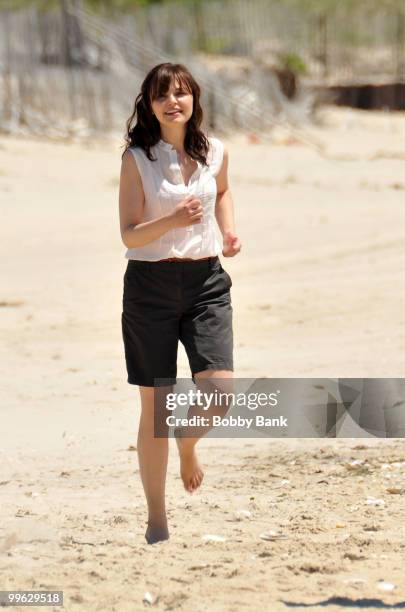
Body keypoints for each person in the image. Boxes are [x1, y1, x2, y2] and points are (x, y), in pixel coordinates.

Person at [119, 62, 242, 544]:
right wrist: (170, 219)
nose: (174, 101)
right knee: (157, 409)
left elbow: (224, 189)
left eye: (182, 93)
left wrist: (228, 230)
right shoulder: (137, 159)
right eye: (162, 95)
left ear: (194, 99)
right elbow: (128, 233)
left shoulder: (216, 151)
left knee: (221, 394)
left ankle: (187, 446)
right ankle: (157, 518)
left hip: (206, 281)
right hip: (149, 285)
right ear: (149, 105)